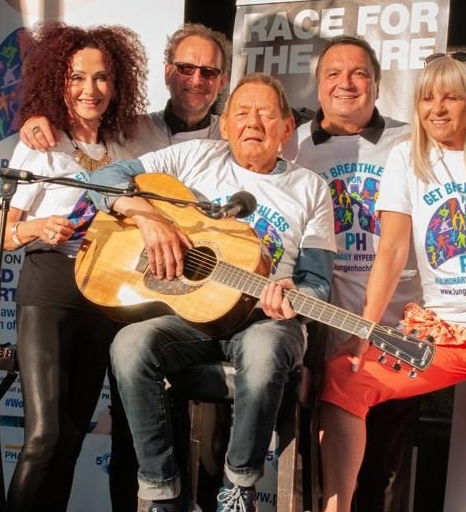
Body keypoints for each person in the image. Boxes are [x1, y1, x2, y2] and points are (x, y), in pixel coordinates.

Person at [86, 73, 336, 512]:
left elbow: (318, 283)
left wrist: (292, 294)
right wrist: (149, 218)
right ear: (224, 126)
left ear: (285, 129)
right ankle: (163, 492)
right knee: (129, 346)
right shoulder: (193, 157)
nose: (251, 122)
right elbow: (103, 177)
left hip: (267, 319)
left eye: (265, 113)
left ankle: (238, 487)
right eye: (241, 112)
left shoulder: (310, 188)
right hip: (191, 315)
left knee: (263, 354)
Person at [319, 52, 466, 512]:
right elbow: (391, 251)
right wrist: (365, 331)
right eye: (426, 98)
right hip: (443, 335)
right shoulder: (408, 159)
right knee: (345, 376)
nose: (437, 108)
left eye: (450, 97)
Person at [0, 22, 148, 512]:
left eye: (101, 79)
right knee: (44, 434)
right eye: (77, 78)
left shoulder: (127, 148)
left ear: (116, 85)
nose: (89, 90)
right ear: (59, 81)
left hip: (106, 295)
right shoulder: (40, 145)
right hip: (50, 289)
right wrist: (36, 228)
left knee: (73, 436)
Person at [280, 35, 422, 512]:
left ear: (377, 86)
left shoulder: (412, 139)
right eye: (333, 74)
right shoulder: (292, 146)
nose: (346, 83)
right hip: (316, 326)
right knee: (310, 461)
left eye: (358, 73)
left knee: (383, 465)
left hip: (392, 325)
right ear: (318, 87)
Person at [20, 22, 230, 155]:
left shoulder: (231, 137)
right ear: (168, 73)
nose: (197, 80)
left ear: (222, 82)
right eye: (186, 68)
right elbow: (82, 123)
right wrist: (37, 119)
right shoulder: (129, 129)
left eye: (209, 72)